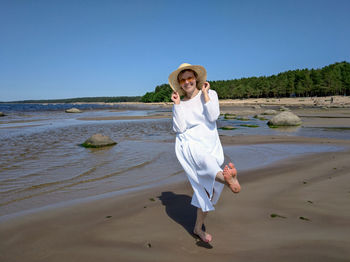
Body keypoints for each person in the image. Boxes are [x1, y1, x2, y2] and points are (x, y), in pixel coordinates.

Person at [169, 63, 241, 243]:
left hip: (211, 144)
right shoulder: (180, 103)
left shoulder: (210, 94)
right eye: (183, 80)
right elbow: (179, 128)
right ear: (179, 83)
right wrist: (177, 105)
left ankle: (197, 229)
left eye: (189, 78)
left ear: (196, 78)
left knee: (208, 192)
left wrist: (206, 94)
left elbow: (213, 116)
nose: (187, 82)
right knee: (206, 162)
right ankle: (227, 179)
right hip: (190, 144)